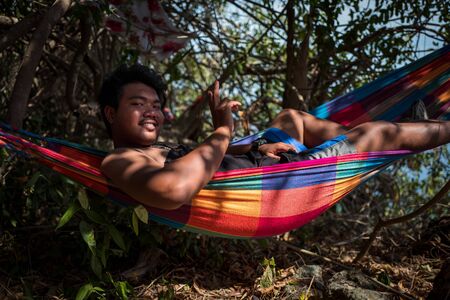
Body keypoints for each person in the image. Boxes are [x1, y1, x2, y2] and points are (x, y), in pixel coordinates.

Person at [99, 64, 450, 210]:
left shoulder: (161, 149)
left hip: (268, 163)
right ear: (111, 113)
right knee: (378, 133)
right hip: (284, 176)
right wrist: (223, 129)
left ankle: (403, 130)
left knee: (290, 118)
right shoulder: (119, 160)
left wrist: (254, 146)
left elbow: (212, 163)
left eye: (157, 105)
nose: (152, 112)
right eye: (138, 104)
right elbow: (175, 190)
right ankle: (424, 130)